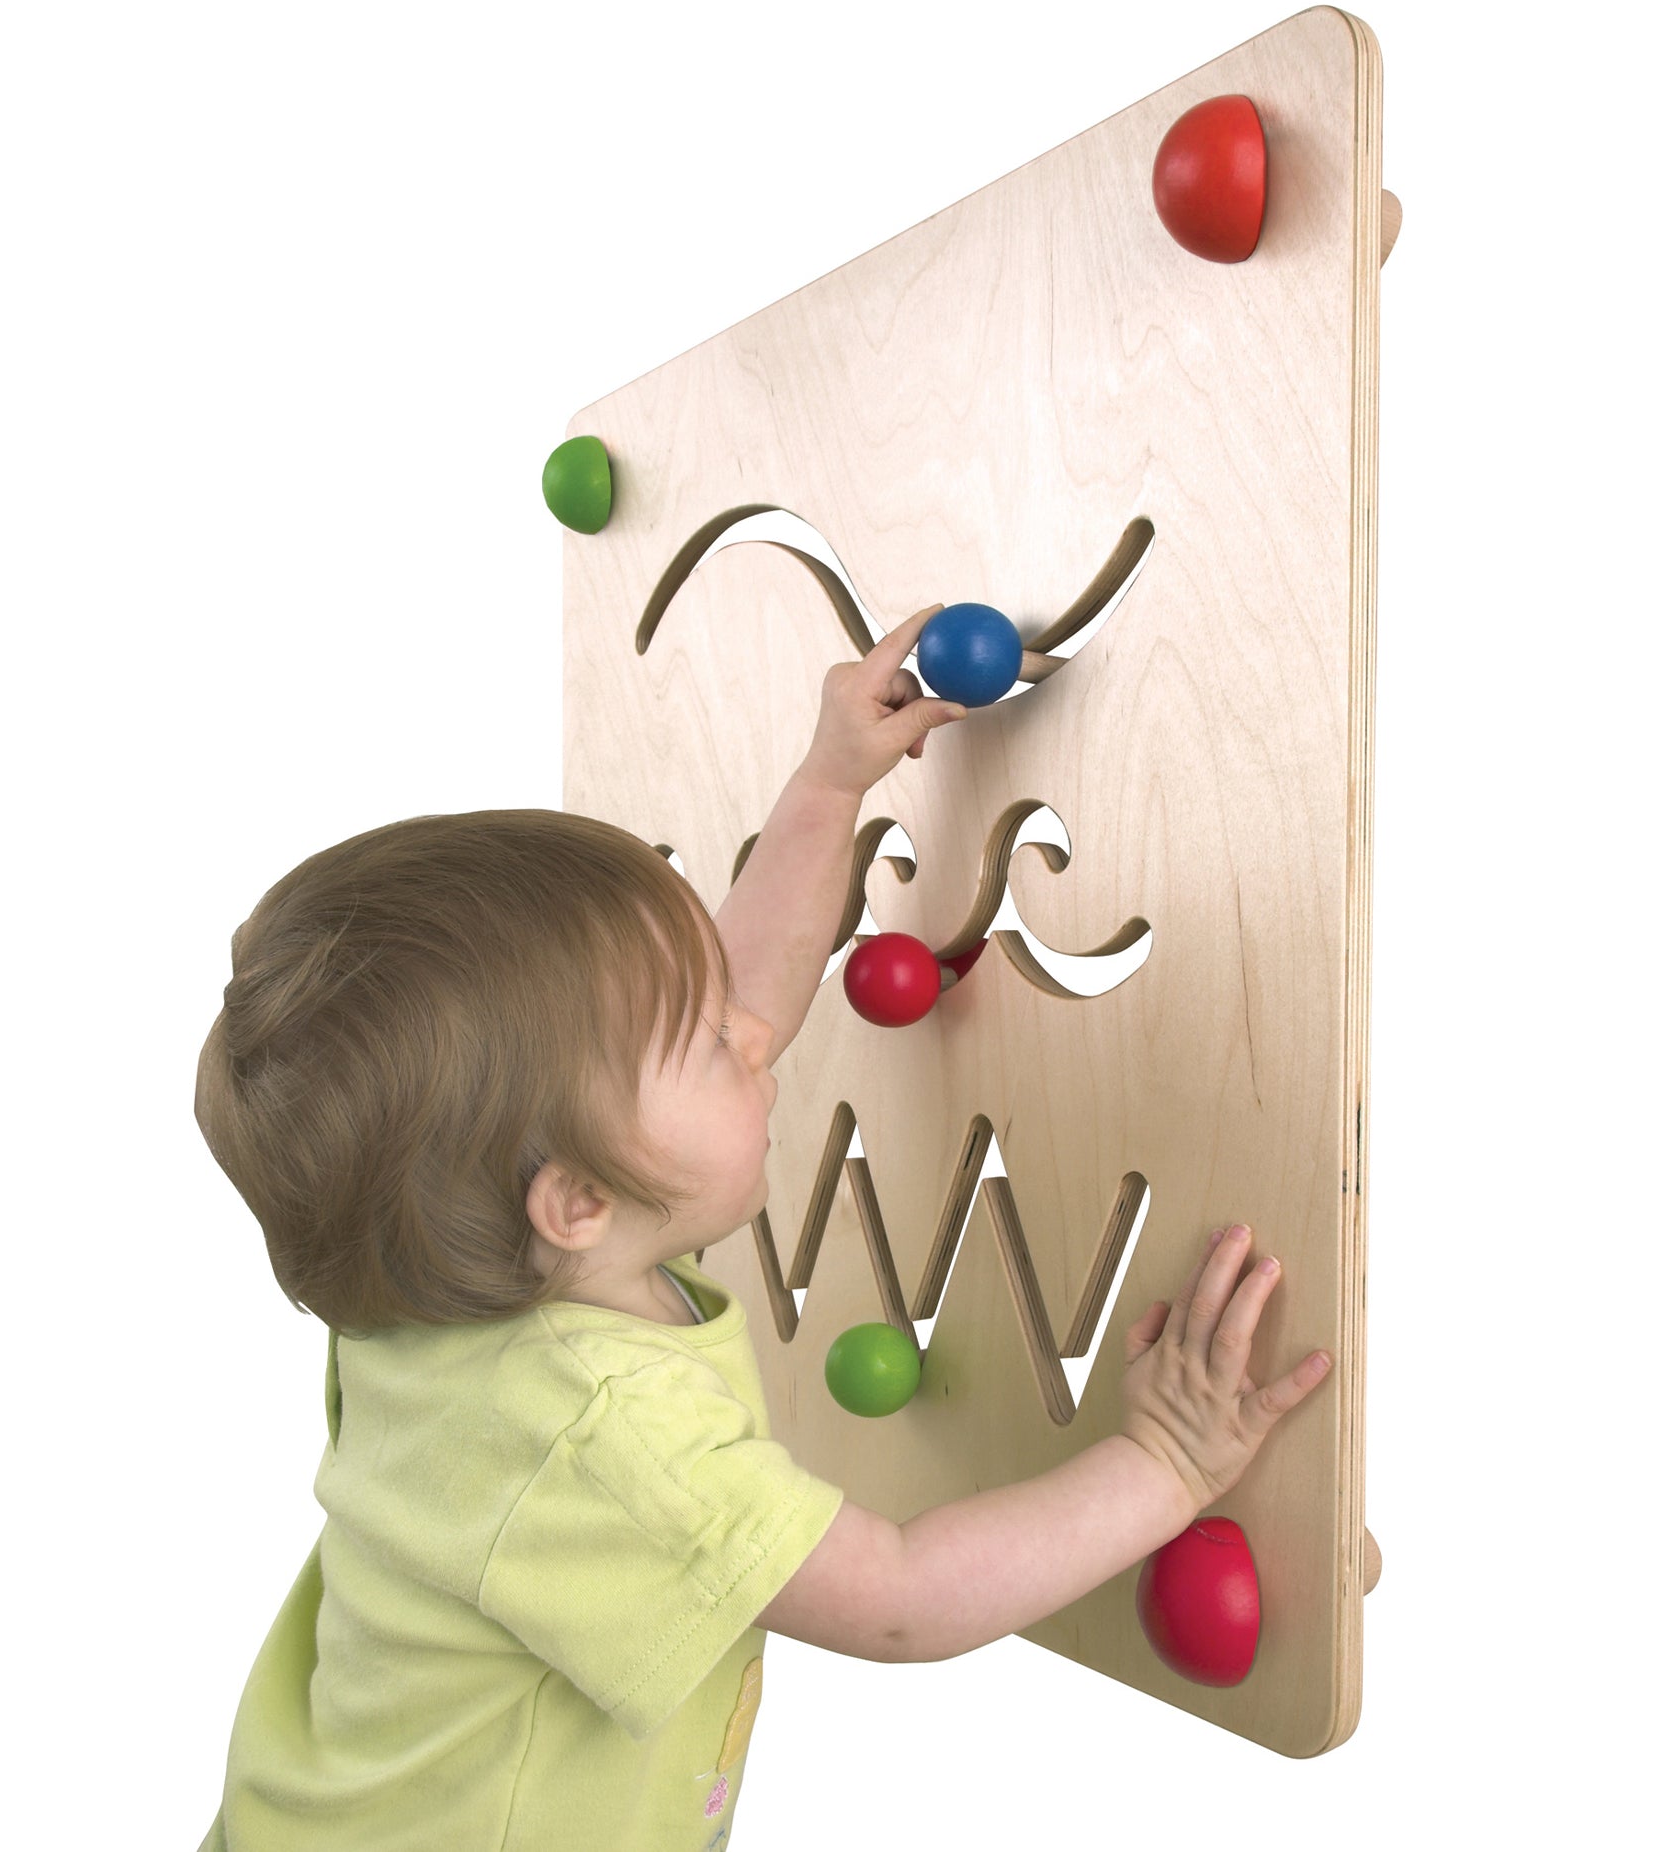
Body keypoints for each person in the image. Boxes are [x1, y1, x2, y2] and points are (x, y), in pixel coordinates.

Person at [193, 603, 1333, 1850]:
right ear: (577, 1198)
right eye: (700, 1041)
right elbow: (898, 1598)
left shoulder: (449, 1258)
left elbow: (745, 982)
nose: (751, 1034)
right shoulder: (604, 1439)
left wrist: (825, 783)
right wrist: (1161, 1464)